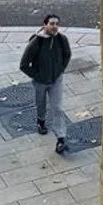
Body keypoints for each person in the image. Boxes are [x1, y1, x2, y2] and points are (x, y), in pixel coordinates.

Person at [20, 15, 72, 155]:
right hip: (41, 81)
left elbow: (67, 54)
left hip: (56, 80)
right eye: (51, 23)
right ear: (44, 25)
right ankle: (41, 121)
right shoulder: (36, 42)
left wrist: (60, 70)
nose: (54, 26)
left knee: (58, 108)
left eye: (56, 24)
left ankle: (61, 138)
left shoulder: (62, 40)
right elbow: (24, 65)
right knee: (41, 103)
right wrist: (37, 76)